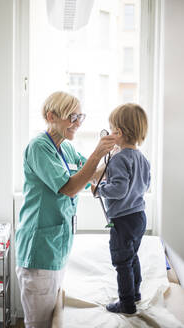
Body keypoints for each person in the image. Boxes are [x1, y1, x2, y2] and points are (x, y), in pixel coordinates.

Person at [15, 91, 116, 328]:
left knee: (53, 320)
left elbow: (91, 174)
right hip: (39, 251)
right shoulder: (39, 147)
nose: (78, 122)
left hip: (58, 247)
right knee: (39, 324)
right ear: (51, 116)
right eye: (72, 116)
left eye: (81, 116)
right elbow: (70, 188)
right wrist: (97, 153)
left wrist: (119, 154)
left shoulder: (67, 149)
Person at [91, 103, 151, 315]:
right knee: (132, 256)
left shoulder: (118, 159)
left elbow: (118, 190)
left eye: (111, 129)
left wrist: (100, 189)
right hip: (139, 217)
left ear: (119, 132)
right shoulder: (142, 158)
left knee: (121, 261)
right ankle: (135, 293)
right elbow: (145, 184)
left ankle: (127, 303)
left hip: (123, 220)